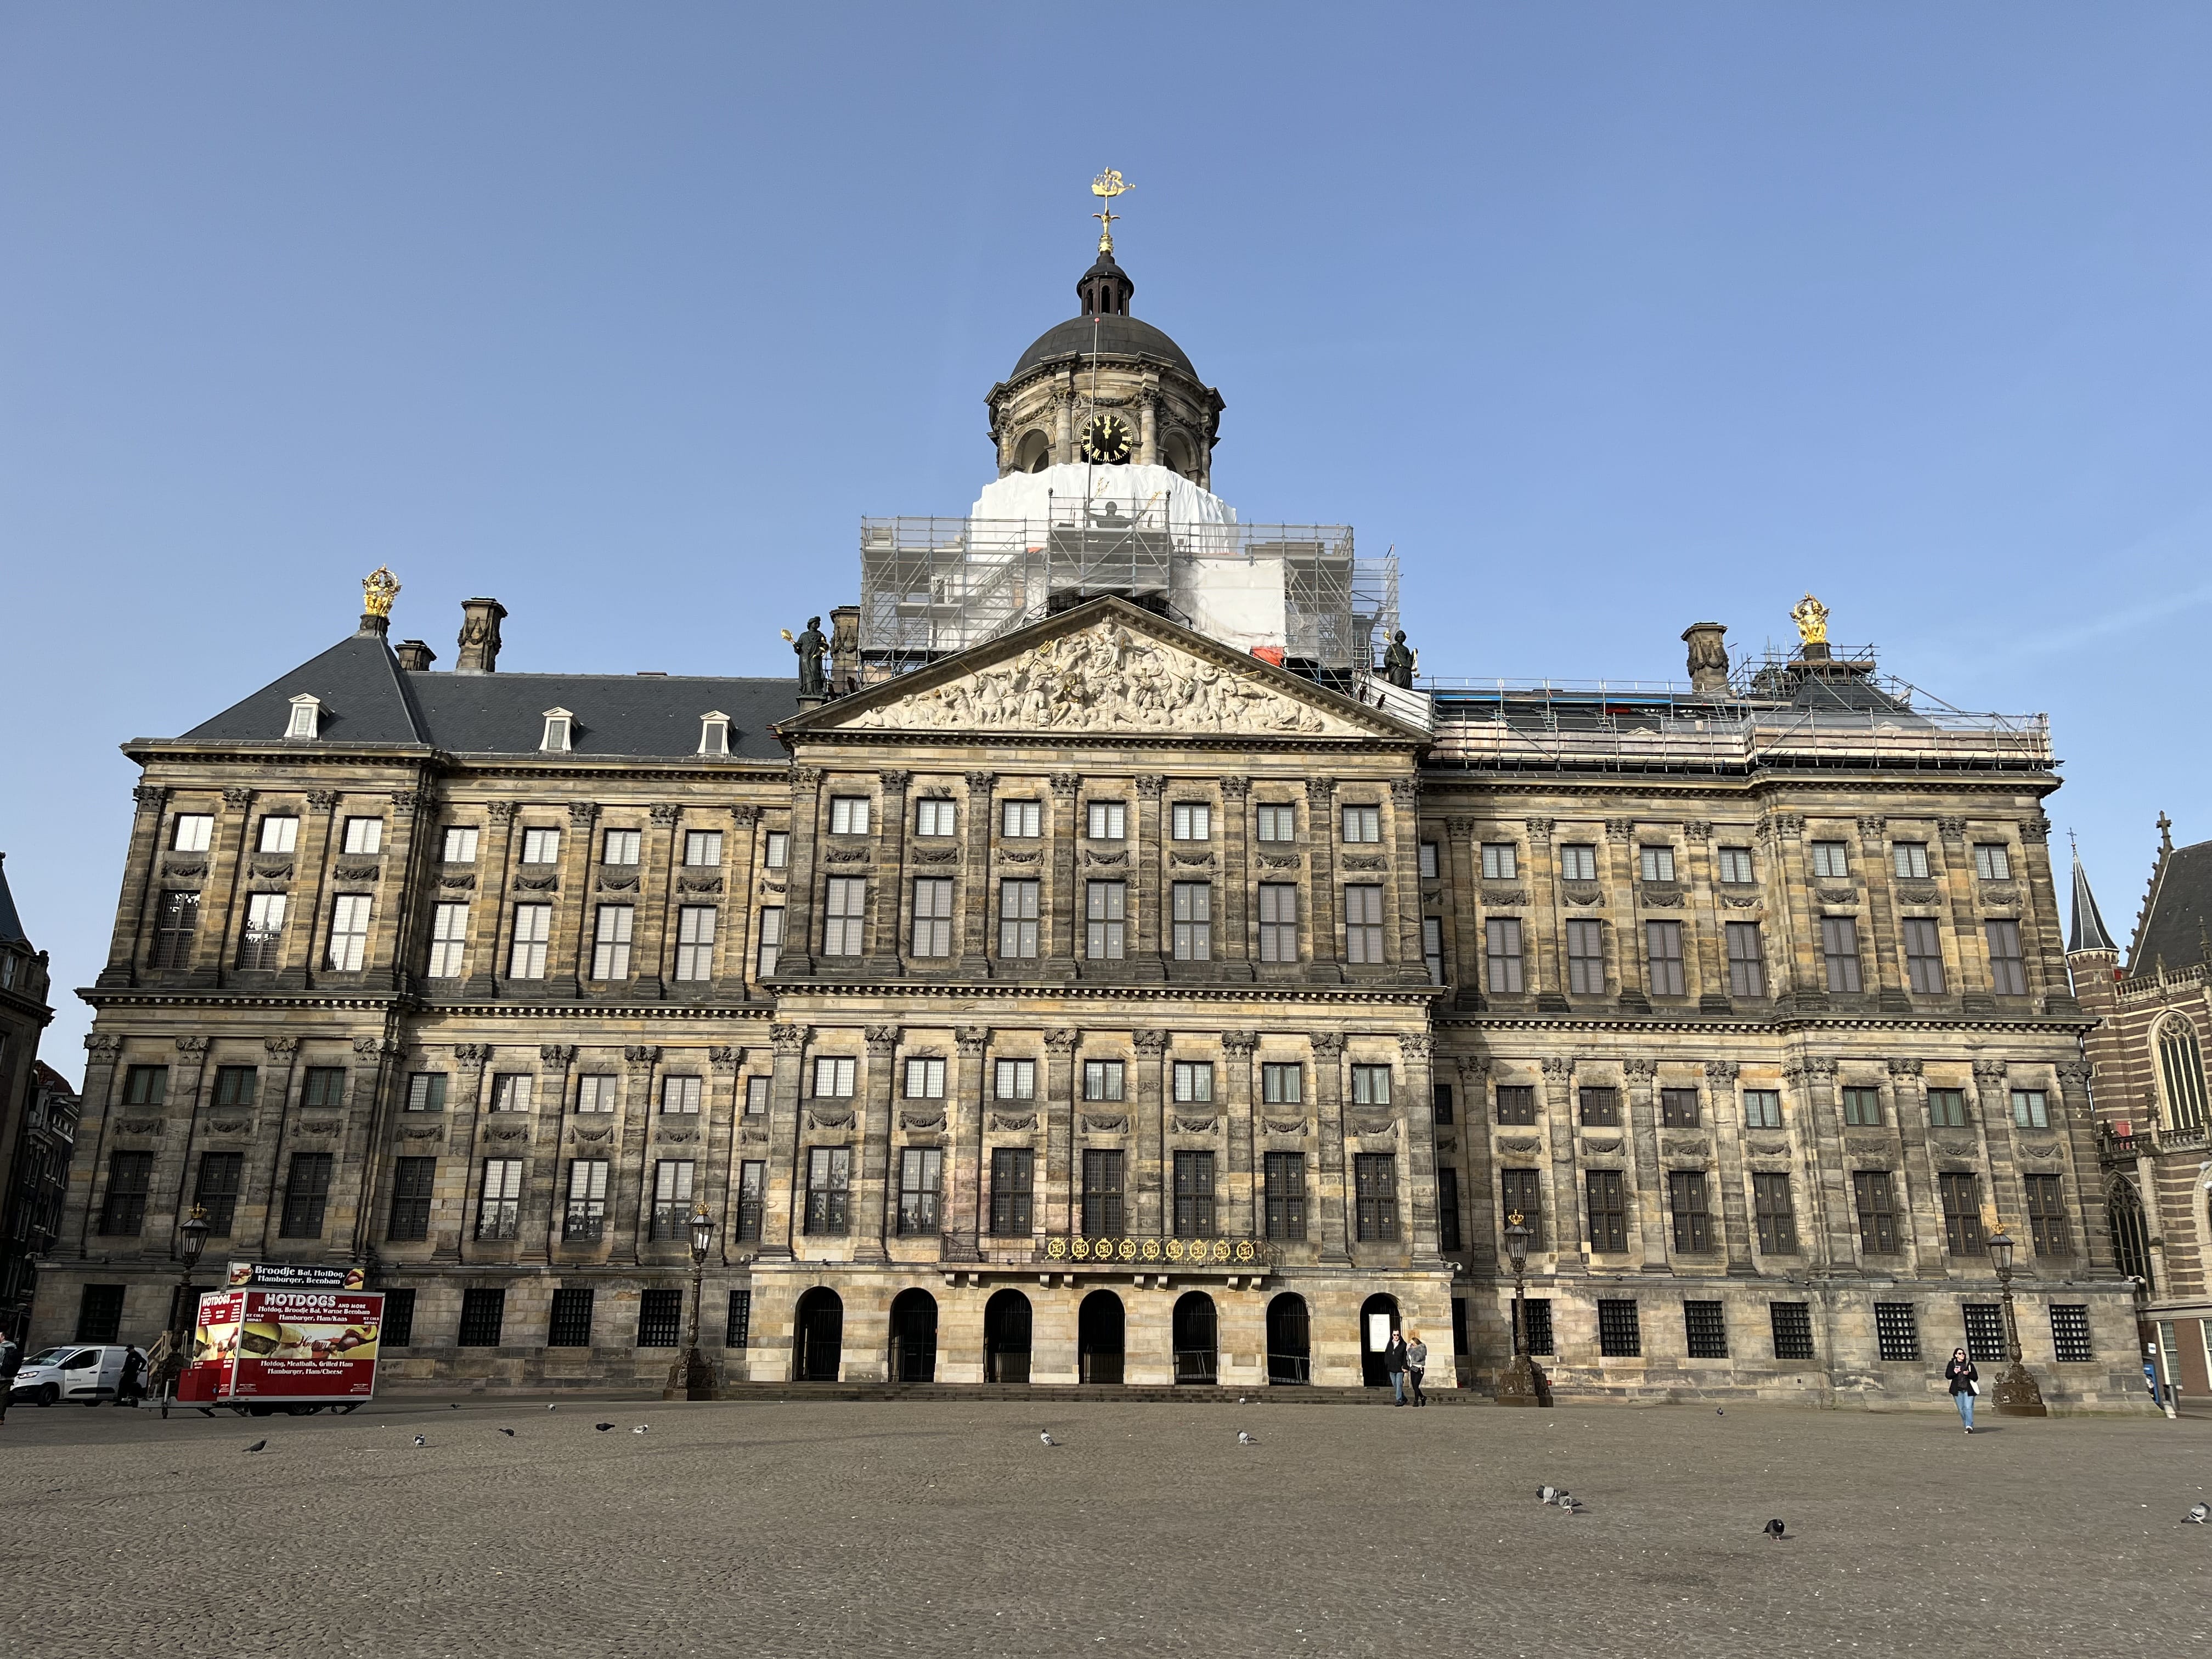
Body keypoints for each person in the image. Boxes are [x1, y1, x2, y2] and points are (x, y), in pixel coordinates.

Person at [1944, 1347, 1979, 1432]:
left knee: (1968, 1407)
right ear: (1956, 1355)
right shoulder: (1952, 1364)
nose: (1962, 1355)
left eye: (1963, 1354)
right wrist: (1955, 1372)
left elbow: (1975, 1378)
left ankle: (1969, 1426)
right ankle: (1966, 1424)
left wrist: (1969, 1374)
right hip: (1958, 1390)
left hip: (1968, 1390)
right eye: (1960, 1354)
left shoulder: (1969, 1364)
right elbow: (1948, 1376)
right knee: (1961, 1409)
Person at [0, 1328, 21, 1425]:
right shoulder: (14, 1347)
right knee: (3, 1398)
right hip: (9, 1377)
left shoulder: (1, 1348)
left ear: (3, 1337)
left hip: (1, 1375)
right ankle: (1, 1419)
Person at [1404, 1329, 1429, 1408]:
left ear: (1416, 1343)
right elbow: (1409, 1359)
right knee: (1414, 1386)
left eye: (1412, 1344)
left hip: (1419, 1369)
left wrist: (1410, 1350)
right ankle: (1422, 1397)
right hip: (1413, 1369)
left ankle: (1416, 1401)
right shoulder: (1411, 1350)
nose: (1411, 1345)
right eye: (1410, 1344)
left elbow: (1418, 1358)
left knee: (1415, 1385)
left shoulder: (1421, 1348)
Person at [1383, 1329, 1409, 1406]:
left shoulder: (1403, 1344)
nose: (1396, 1337)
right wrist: (1387, 1363)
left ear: (1400, 1335)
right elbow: (1387, 1354)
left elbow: (1405, 1357)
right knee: (1395, 1384)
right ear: (1392, 1335)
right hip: (1391, 1367)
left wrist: (1405, 1366)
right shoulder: (1390, 1344)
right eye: (1395, 1335)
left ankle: (1399, 1400)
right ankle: (1403, 1398)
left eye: (1398, 1335)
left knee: (1399, 1383)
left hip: (1400, 1368)